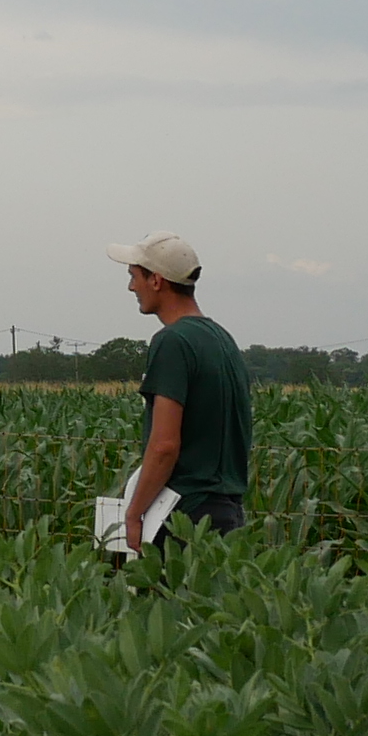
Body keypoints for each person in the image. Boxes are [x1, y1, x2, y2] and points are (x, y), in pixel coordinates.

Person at [108, 235, 252, 555]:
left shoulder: (172, 341)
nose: (132, 288)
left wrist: (133, 514)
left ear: (156, 280)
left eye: (134, 277)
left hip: (184, 516)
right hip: (227, 512)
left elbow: (164, 446)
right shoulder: (222, 339)